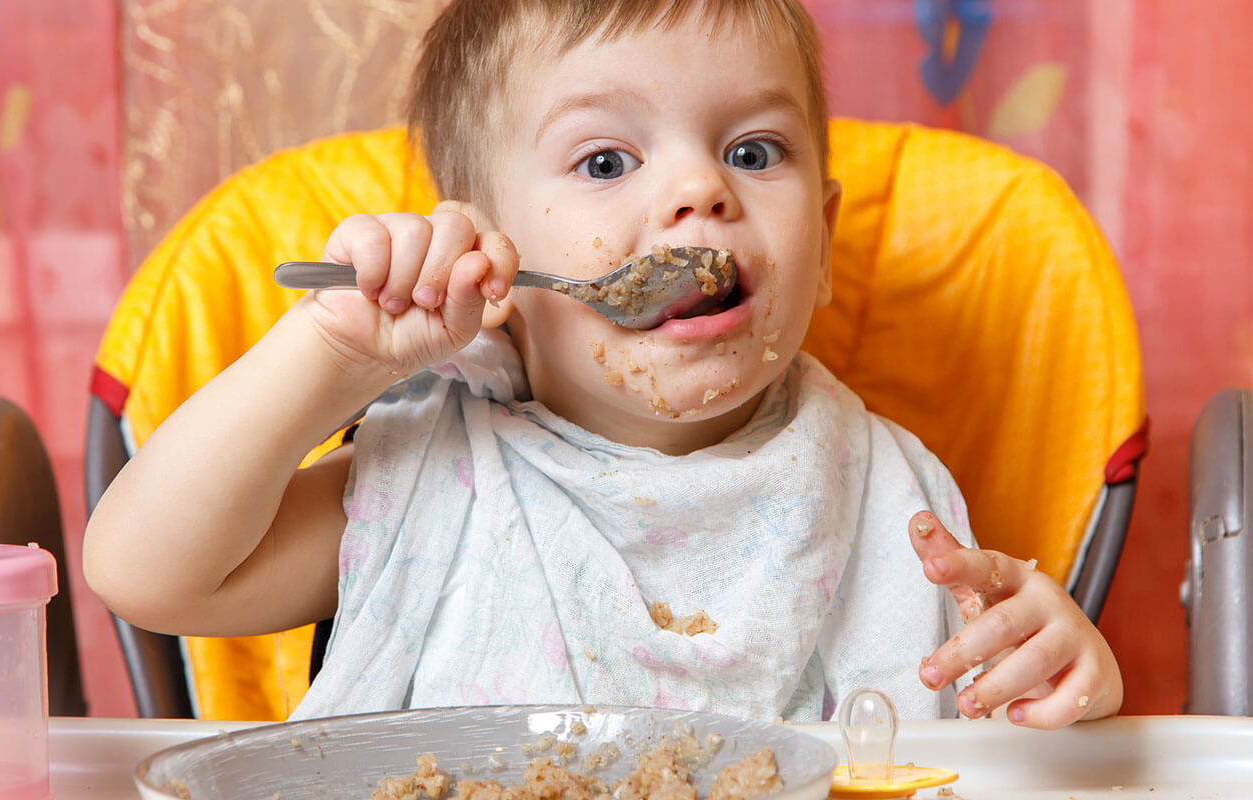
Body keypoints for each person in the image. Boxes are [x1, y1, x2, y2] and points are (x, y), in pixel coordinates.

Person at [84, 0, 1121, 729]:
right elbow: (146, 575)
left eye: (754, 152)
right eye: (605, 161)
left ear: (827, 245)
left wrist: (1066, 674)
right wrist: (330, 353)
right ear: (486, 254)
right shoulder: (440, 482)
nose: (699, 189)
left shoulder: (895, 498)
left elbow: (990, 742)